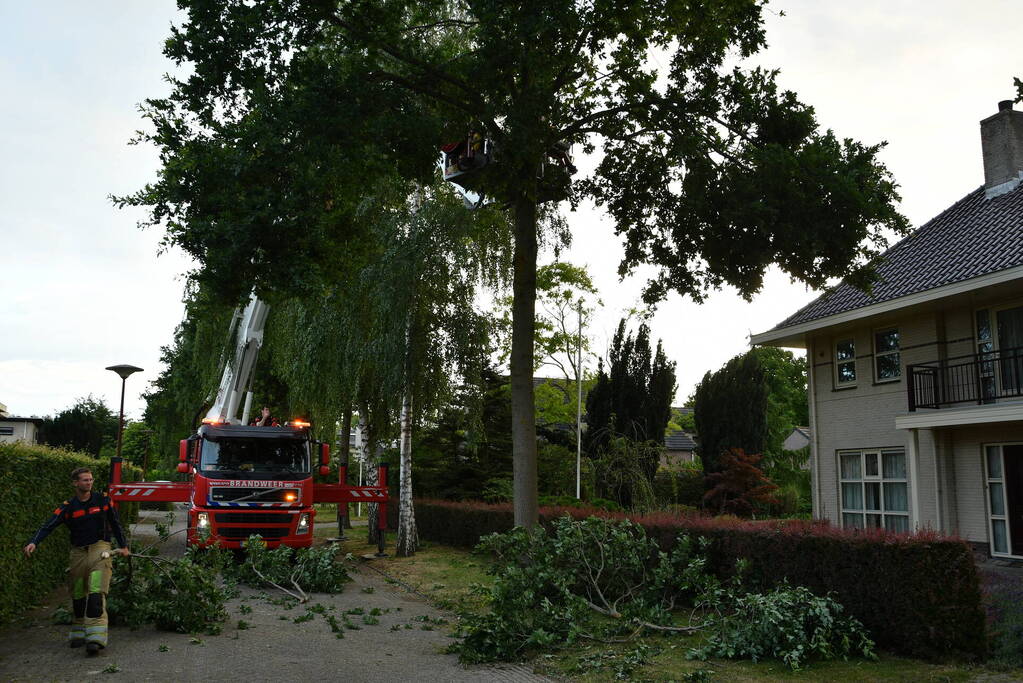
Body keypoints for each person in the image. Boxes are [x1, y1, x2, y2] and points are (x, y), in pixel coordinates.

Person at [23, 467, 129, 655]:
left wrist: (123, 546)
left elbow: (116, 523)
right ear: (75, 483)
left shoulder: (103, 501)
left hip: (100, 549)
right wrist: (34, 542)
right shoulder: (68, 507)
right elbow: (49, 525)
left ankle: (96, 638)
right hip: (78, 552)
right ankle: (79, 629)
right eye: (85, 480)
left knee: (96, 593)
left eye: (91, 480)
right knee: (79, 593)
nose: (89, 483)